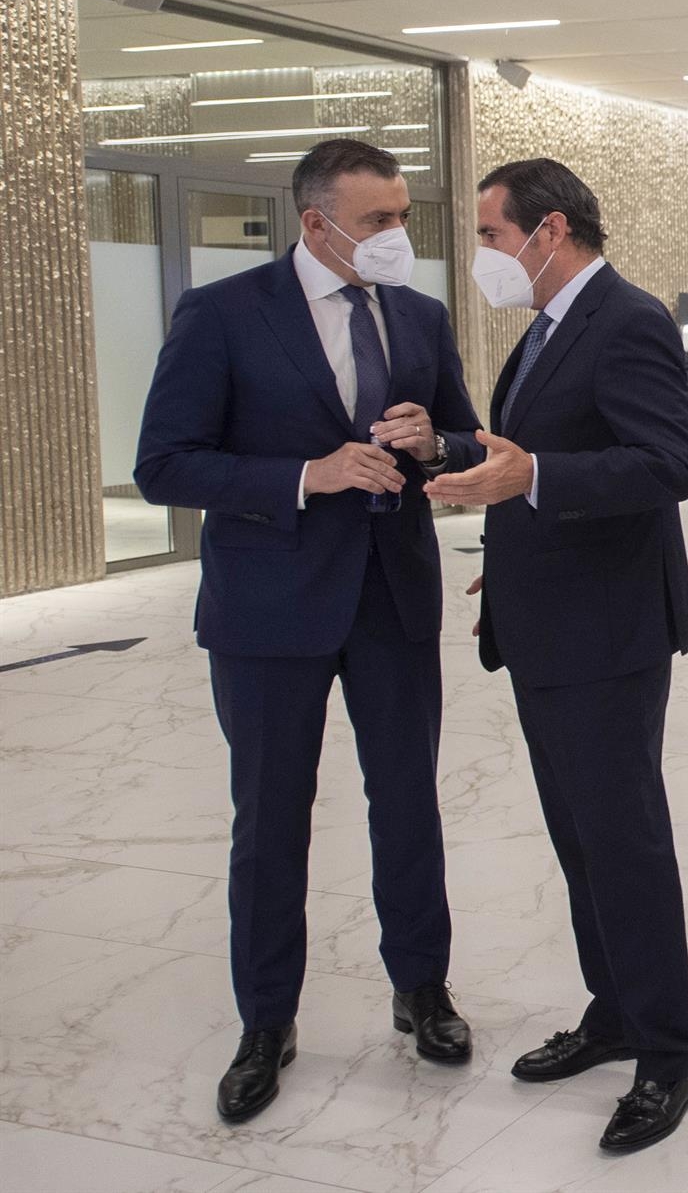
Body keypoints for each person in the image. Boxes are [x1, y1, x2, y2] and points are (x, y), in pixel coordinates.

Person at [134, 138, 481, 1124]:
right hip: (269, 608)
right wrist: (305, 475)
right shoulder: (224, 314)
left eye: (404, 216)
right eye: (379, 221)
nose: (398, 237)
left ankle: (422, 988)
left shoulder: (417, 314)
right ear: (316, 222)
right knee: (271, 817)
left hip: (393, 599)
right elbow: (166, 463)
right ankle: (266, 1019)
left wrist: (437, 444)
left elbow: (460, 434)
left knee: (408, 801)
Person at [425, 158, 688, 1154]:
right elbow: (537, 459)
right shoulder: (548, 325)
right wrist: (467, 458)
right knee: (581, 839)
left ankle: (671, 1049)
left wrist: (531, 473)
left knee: (621, 841)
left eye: (493, 236)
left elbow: (671, 461)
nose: (486, 257)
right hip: (548, 619)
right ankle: (617, 1007)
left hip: (608, 635)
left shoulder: (622, 319)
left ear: (549, 230)